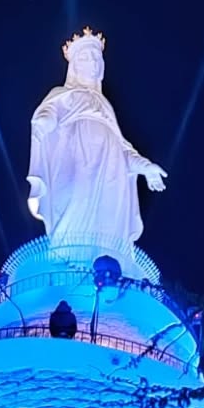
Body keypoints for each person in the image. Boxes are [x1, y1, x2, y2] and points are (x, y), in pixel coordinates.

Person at [27, 29, 167, 252]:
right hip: (76, 164)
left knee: (107, 225)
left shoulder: (105, 106)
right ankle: (68, 259)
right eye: (85, 58)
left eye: (96, 58)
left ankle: (106, 262)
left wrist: (145, 167)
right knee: (74, 214)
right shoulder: (63, 94)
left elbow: (122, 147)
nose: (92, 63)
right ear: (74, 66)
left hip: (110, 172)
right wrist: (45, 121)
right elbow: (50, 113)